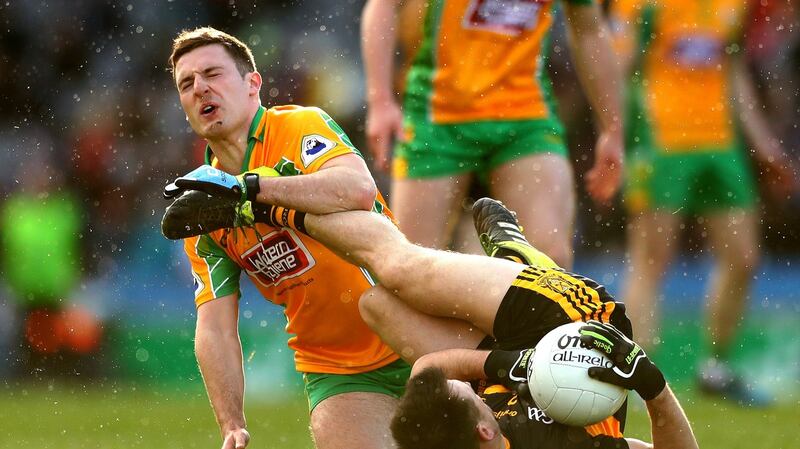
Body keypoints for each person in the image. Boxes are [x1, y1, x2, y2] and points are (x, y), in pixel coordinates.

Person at [165, 27, 410, 449]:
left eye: (212, 73)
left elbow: (357, 189)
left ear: (252, 84)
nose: (200, 87)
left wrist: (250, 190)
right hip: (336, 368)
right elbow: (215, 326)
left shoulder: (299, 126)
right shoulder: (202, 210)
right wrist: (231, 422)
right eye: (186, 83)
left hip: (412, 326)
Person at [609, 0, 797, 403]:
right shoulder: (642, 5)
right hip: (659, 140)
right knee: (651, 259)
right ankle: (638, 380)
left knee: (743, 257)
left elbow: (731, 72)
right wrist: (615, 136)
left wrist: (762, 144)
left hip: (719, 142)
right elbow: (618, 70)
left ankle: (716, 369)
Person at [361, 0, 626, 266]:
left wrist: (612, 130)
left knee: (550, 261)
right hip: (436, 119)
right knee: (410, 269)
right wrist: (380, 100)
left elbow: (590, 30)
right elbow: (383, 6)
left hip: (525, 119)